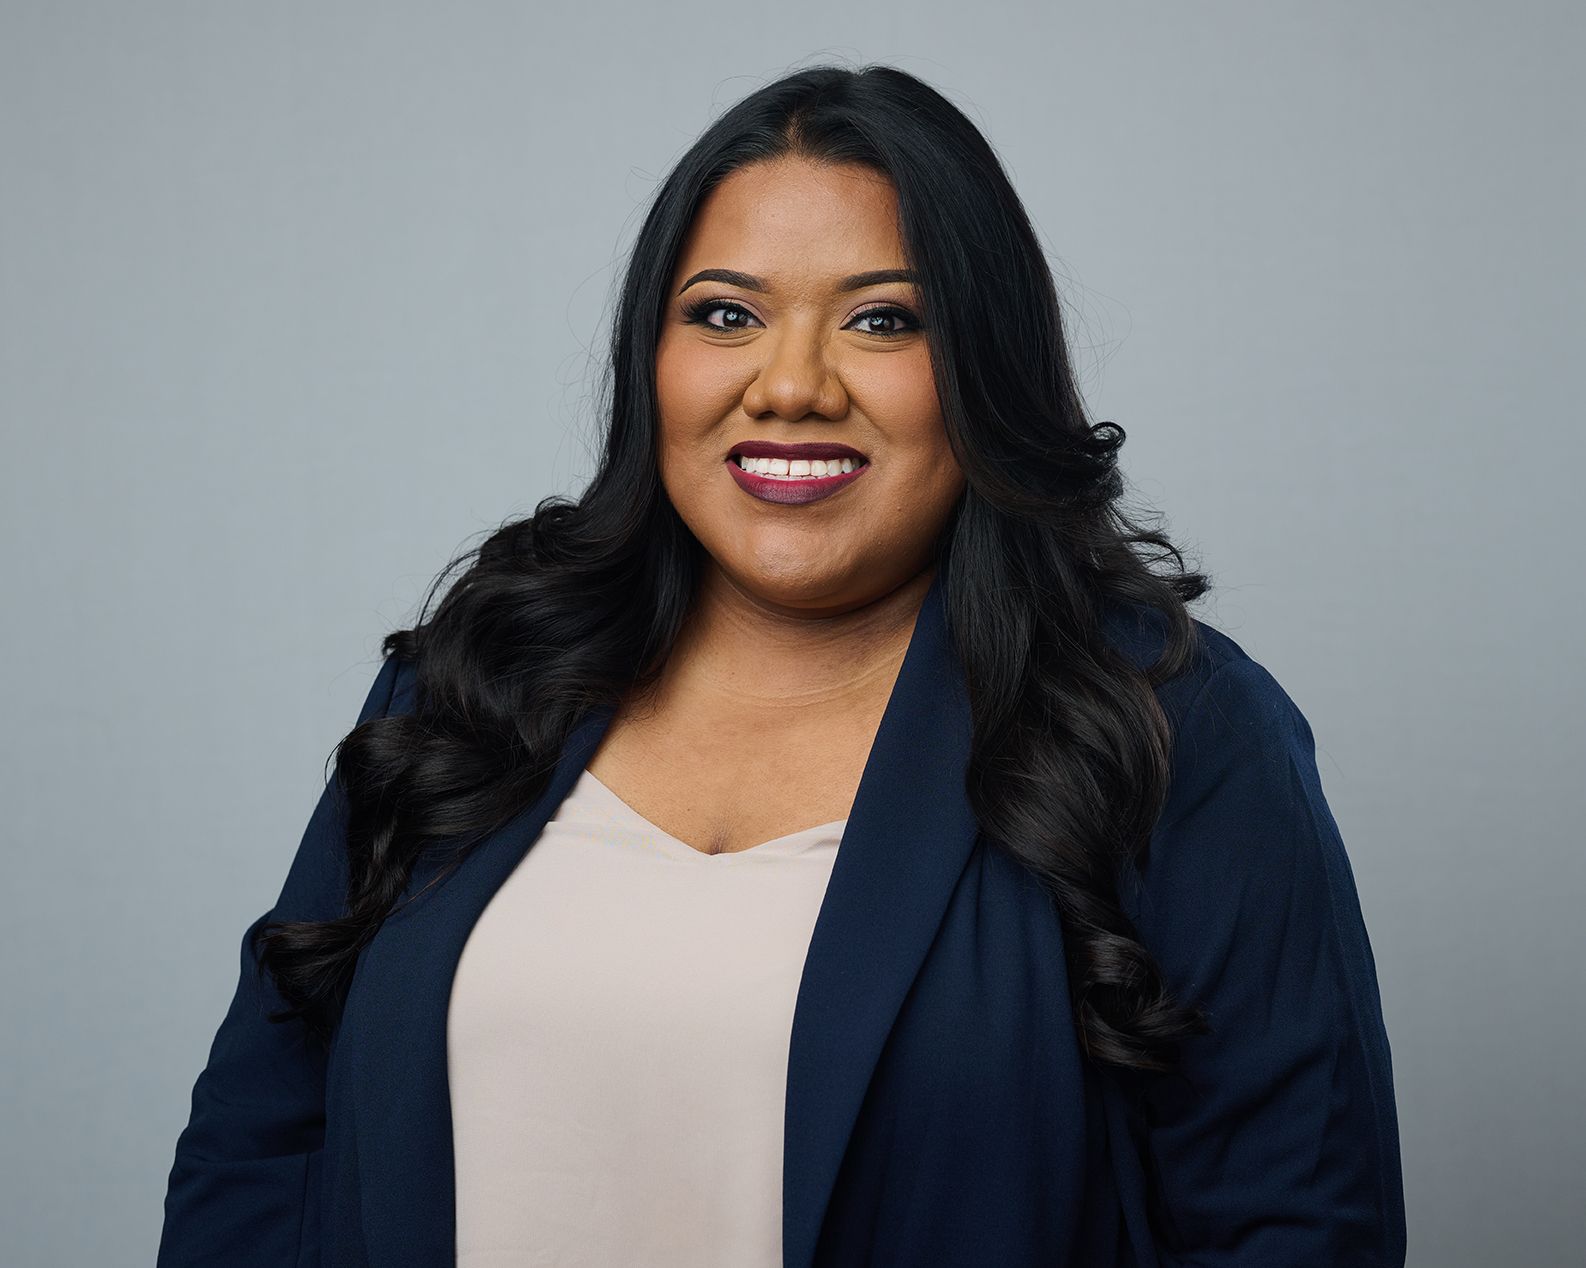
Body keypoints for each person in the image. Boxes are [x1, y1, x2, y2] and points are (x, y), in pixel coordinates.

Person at [157, 63, 1406, 1267]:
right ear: (651, 360)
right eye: (725, 313)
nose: (791, 384)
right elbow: (260, 1146)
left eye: (881, 319)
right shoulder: (477, 682)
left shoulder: (1165, 726)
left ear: (984, 368)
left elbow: (1291, 1220)